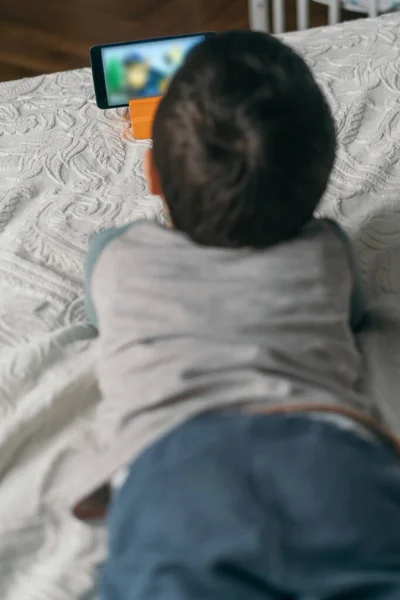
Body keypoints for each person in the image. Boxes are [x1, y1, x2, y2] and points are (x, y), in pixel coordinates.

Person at [84, 31, 400, 599]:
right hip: (332, 458)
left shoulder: (116, 256)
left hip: (176, 465)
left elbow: (98, 305)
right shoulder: (328, 251)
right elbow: (350, 313)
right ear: (317, 188)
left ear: (153, 176)